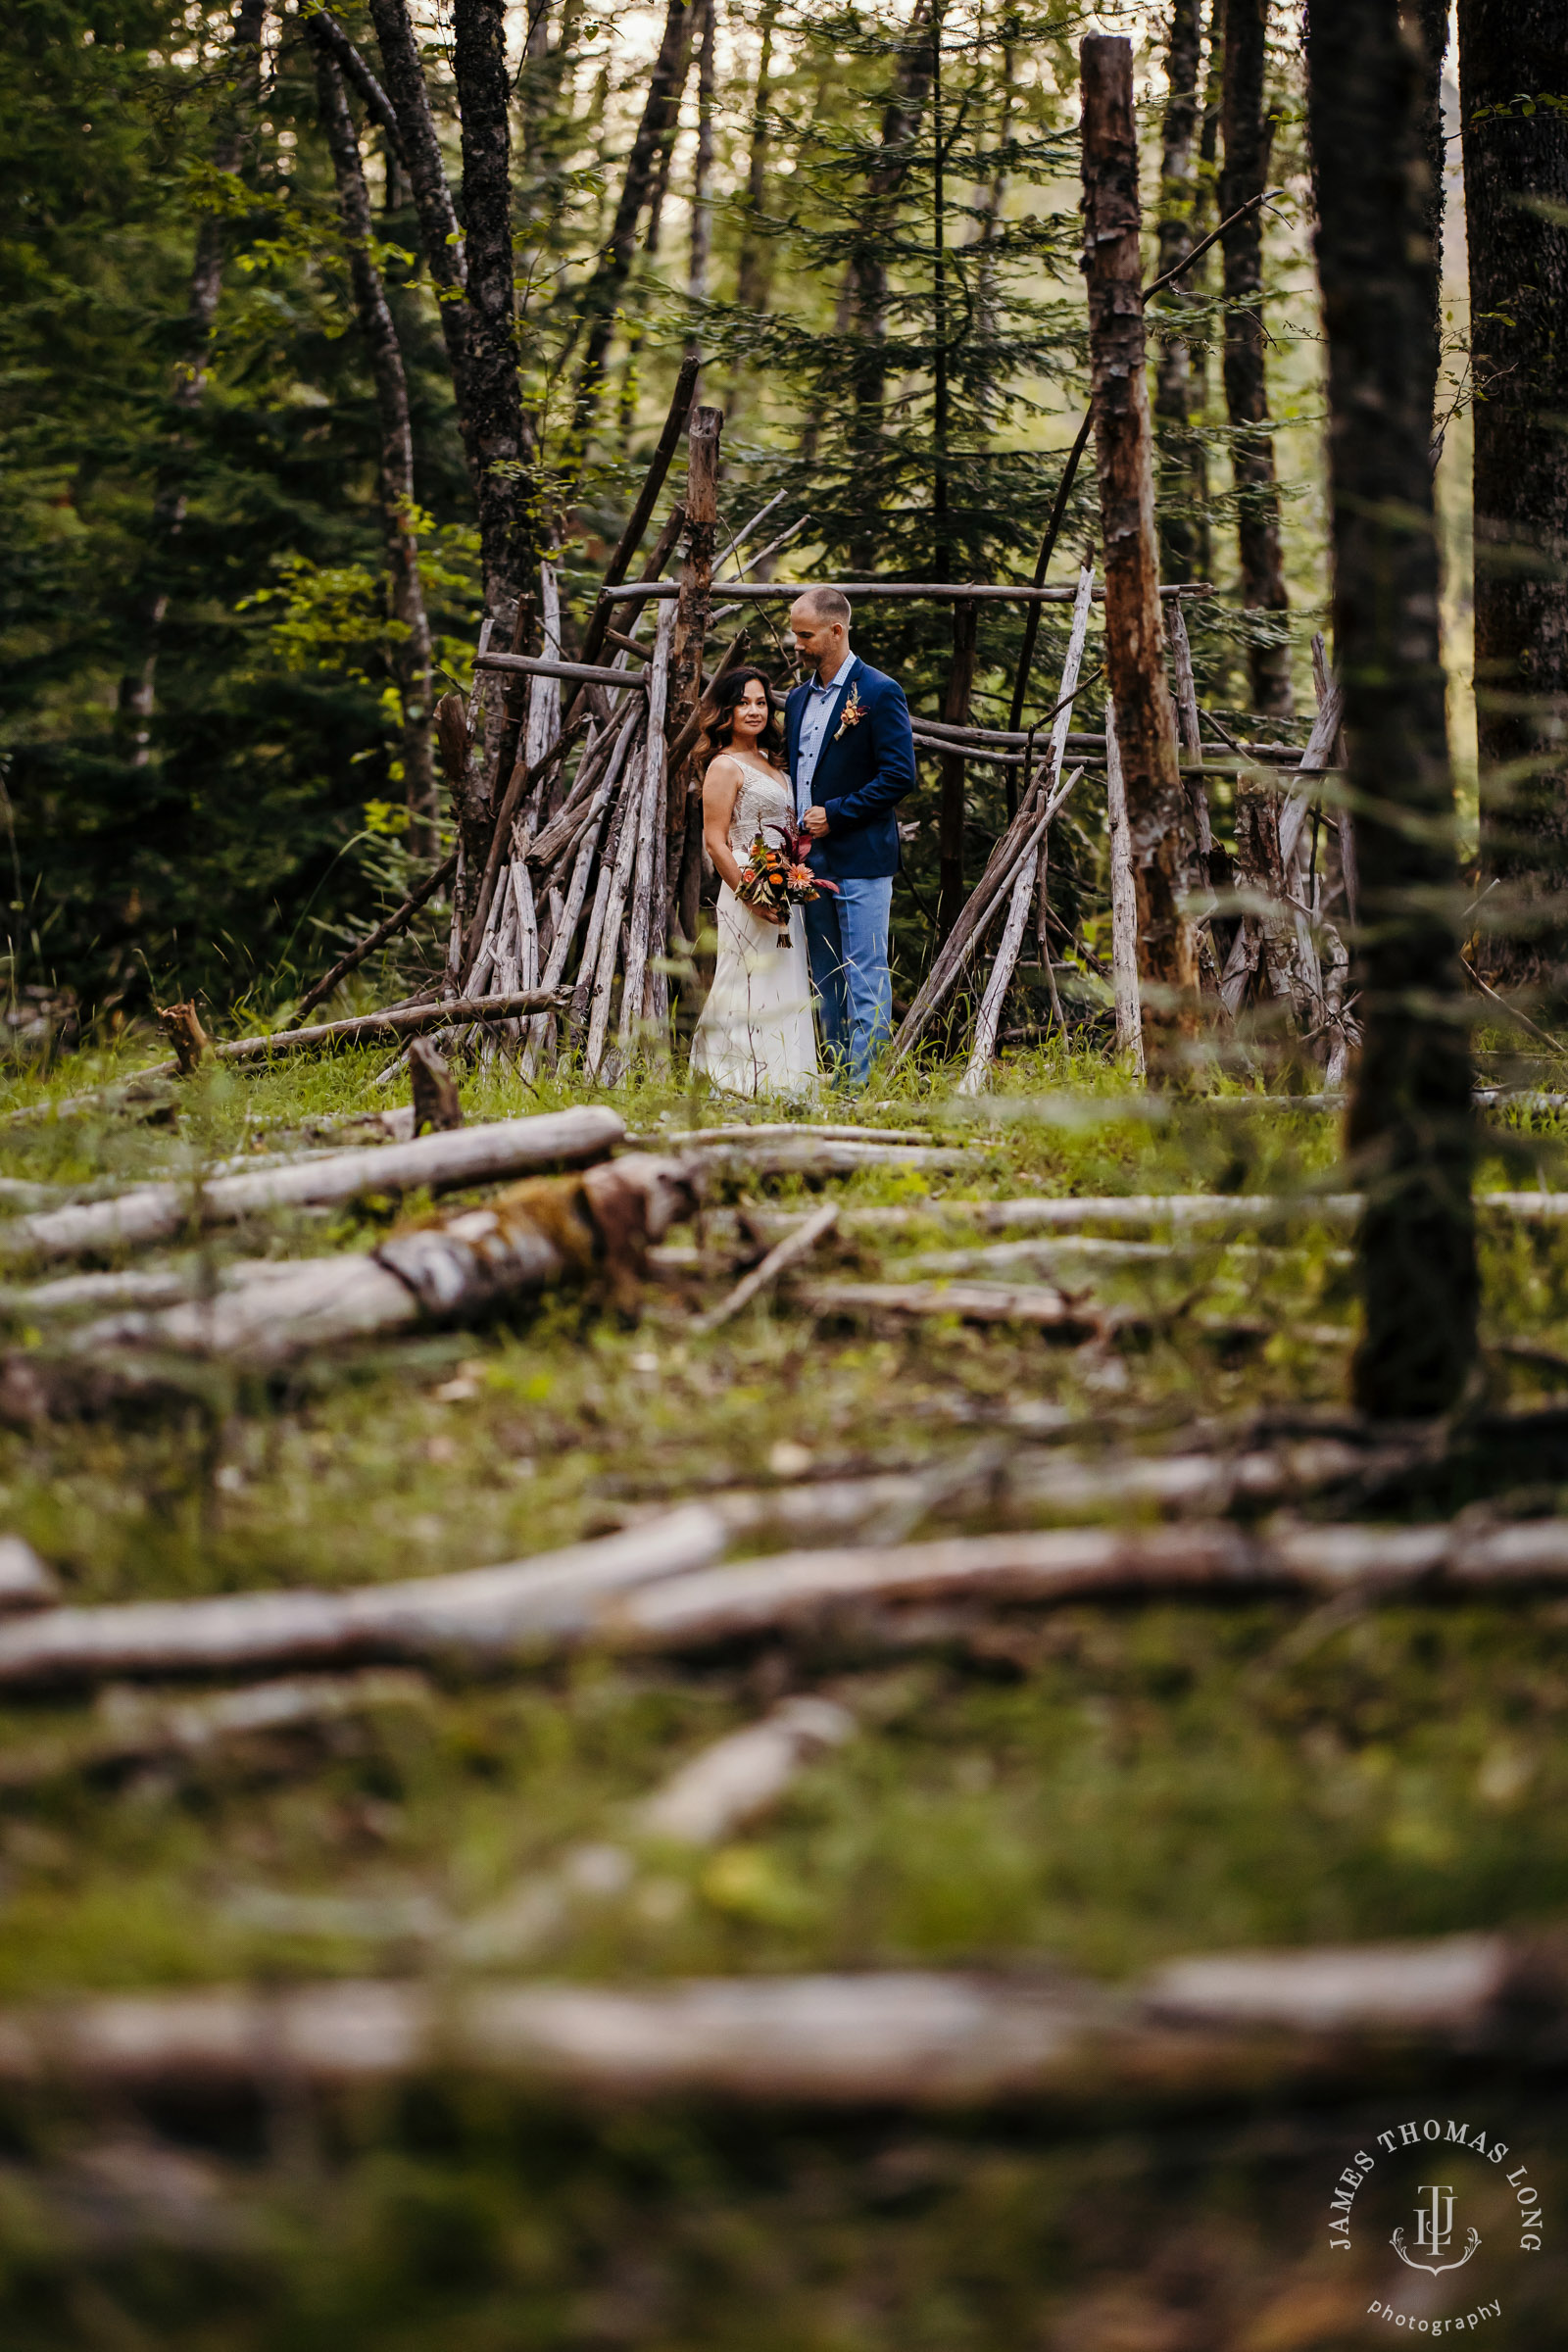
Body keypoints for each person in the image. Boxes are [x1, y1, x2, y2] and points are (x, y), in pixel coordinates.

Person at [785, 586, 916, 1087]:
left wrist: (834, 814)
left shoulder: (880, 692)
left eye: (805, 634)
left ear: (836, 631)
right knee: (827, 978)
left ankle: (864, 1086)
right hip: (809, 865)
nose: (795, 643)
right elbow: (799, 776)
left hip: (861, 859)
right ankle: (836, 1077)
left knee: (865, 975)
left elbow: (898, 776)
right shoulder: (796, 699)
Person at [688, 666, 818, 1099]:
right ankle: (732, 1081)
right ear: (726, 709)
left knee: (784, 980)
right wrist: (750, 893)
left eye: (761, 702)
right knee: (742, 978)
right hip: (747, 881)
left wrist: (786, 882)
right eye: (743, 702)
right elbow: (715, 841)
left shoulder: (773, 763)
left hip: (781, 885)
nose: (754, 710)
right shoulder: (723, 766)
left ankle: (784, 1080)